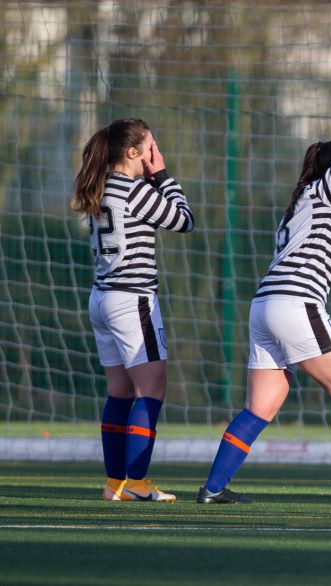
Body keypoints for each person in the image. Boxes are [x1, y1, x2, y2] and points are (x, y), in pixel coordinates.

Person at [197, 53, 331, 505]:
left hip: (265, 306)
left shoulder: (303, 205)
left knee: (262, 405)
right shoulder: (321, 190)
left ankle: (213, 488)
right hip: (295, 302)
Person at [72, 116, 194, 502]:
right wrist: (163, 176)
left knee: (120, 391)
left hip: (102, 297)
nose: (155, 155)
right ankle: (138, 483)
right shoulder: (133, 188)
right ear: (132, 152)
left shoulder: (101, 186)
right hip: (132, 298)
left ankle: (115, 484)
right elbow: (183, 220)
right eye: (151, 148)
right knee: (152, 389)